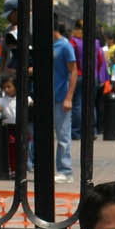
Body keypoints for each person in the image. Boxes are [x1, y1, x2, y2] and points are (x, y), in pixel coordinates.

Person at [51, 20, 78, 183]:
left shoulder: (65, 46)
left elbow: (73, 71)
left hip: (61, 96)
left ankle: (65, 171)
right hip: (49, 95)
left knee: (62, 135)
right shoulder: (51, 45)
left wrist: (69, 97)